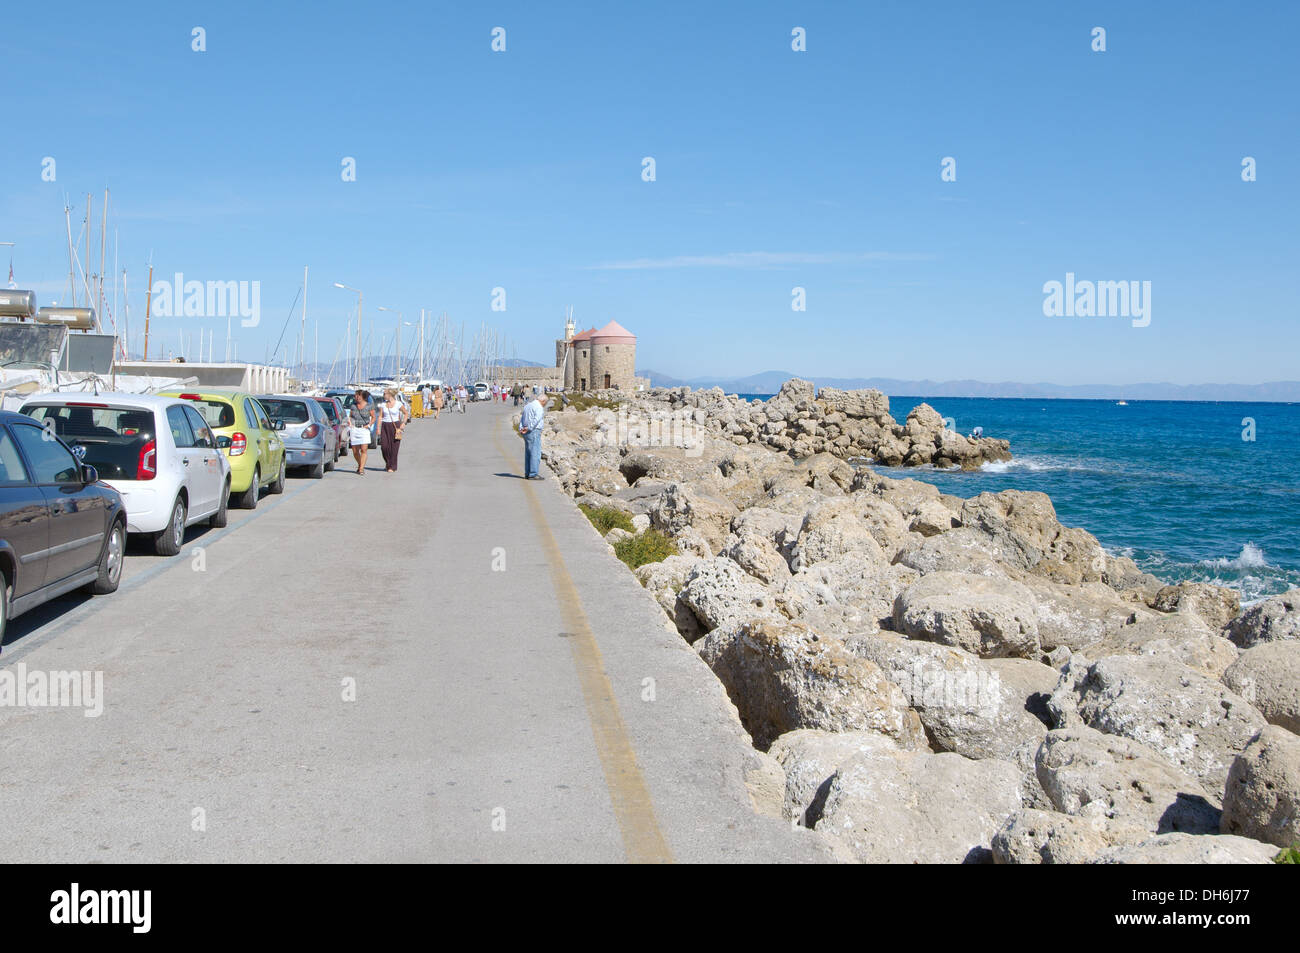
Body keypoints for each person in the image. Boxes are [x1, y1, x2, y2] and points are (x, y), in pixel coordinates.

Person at [378, 387, 409, 472]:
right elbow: (380, 417)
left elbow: (406, 413)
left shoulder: (398, 404)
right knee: (384, 447)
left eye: (385, 394)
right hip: (385, 426)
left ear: (390, 395)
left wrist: (403, 423)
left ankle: (392, 466)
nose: (383, 395)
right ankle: (388, 463)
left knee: (394, 447)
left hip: (395, 426)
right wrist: (378, 428)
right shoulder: (383, 405)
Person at [518, 391, 549, 480]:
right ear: (543, 401)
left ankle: (527, 472)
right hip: (533, 431)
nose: (544, 405)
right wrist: (529, 428)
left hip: (525, 431)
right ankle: (533, 473)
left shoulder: (528, 405)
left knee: (528, 453)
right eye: (545, 403)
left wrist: (521, 428)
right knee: (535, 452)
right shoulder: (539, 407)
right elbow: (536, 419)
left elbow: (522, 418)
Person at [348, 389, 375, 475]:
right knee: (355, 451)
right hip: (355, 429)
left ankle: (361, 468)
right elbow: (350, 416)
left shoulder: (369, 406)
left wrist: (369, 425)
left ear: (362, 396)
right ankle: (360, 464)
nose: (356, 397)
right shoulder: (353, 406)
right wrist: (350, 423)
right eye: (355, 395)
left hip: (364, 429)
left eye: (357, 395)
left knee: (364, 450)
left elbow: (373, 417)